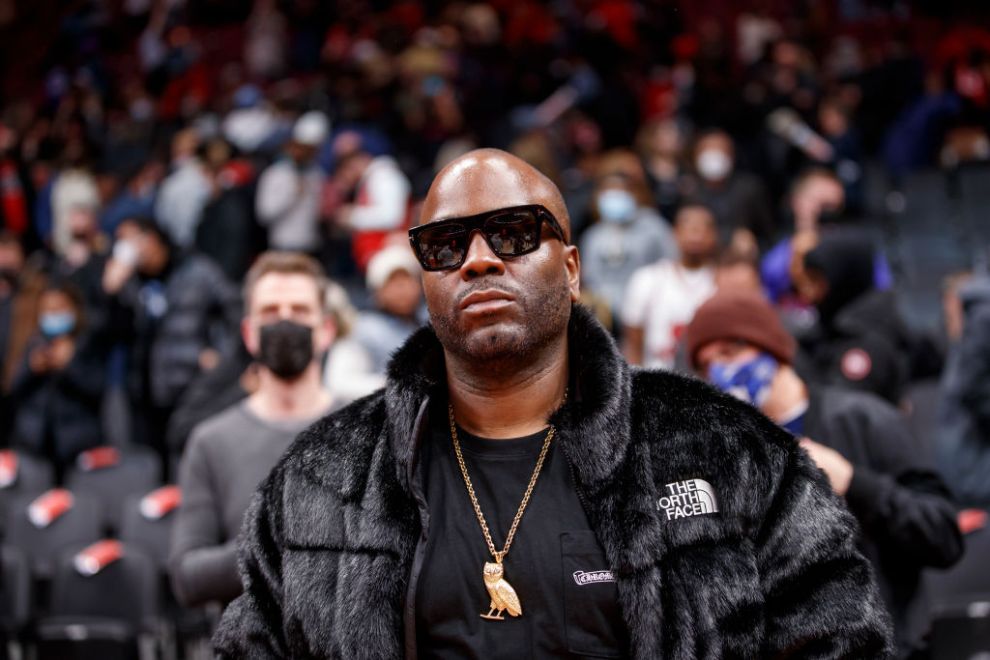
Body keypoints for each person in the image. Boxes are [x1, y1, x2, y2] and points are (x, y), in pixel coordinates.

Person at [214, 148, 892, 658]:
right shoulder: (321, 480)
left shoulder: (723, 449)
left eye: (512, 233)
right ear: (425, 280)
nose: (478, 261)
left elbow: (839, 636)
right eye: (446, 246)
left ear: (571, 269)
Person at [684, 289, 962, 658]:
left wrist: (855, 483)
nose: (720, 373)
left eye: (730, 353)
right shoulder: (721, 455)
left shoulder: (864, 419)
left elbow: (942, 535)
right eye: (706, 366)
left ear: (771, 348)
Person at [169, 251, 339, 607]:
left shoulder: (372, 429)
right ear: (248, 333)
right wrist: (270, 542)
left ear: (326, 330)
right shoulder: (210, 441)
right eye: (271, 312)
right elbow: (186, 576)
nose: (286, 321)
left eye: (300, 310)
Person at [102, 217, 241, 452]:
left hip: (191, 384)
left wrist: (220, 355)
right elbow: (114, 331)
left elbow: (235, 310)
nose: (126, 248)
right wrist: (111, 293)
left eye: (131, 240)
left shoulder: (197, 271)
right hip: (145, 388)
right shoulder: (130, 281)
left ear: (152, 238)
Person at [9, 281, 107, 474]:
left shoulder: (87, 343)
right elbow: (13, 388)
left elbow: (98, 388)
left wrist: (70, 366)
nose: (53, 315)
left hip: (77, 447)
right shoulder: (33, 343)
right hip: (36, 445)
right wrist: (32, 368)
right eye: (47, 310)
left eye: (59, 308)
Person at [621, 203, 719, 369]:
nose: (695, 234)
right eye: (689, 227)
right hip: (658, 378)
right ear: (675, 233)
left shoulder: (723, 282)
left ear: (713, 236)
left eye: (702, 228)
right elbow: (633, 342)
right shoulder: (648, 279)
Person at [579, 170, 677, 317]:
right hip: (605, 315)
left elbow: (671, 262)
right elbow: (591, 277)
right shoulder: (593, 235)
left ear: (634, 194)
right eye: (608, 192)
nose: (614, 197)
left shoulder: (654, 226)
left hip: (649, 307)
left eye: (620, 190)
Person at [255, 111, 329, 254]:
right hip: (283, 246)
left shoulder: (316, 173)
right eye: (301, 147)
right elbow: (264, 215)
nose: (304, 153)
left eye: (311, 149)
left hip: (312, 246)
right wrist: (291, 194)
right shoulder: (275, 174)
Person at [350, 244, 425, 377]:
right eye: (393, 281)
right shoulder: (365, 328)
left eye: (407, 279)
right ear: (377, 292)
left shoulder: (431, 319)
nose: (402, 289)